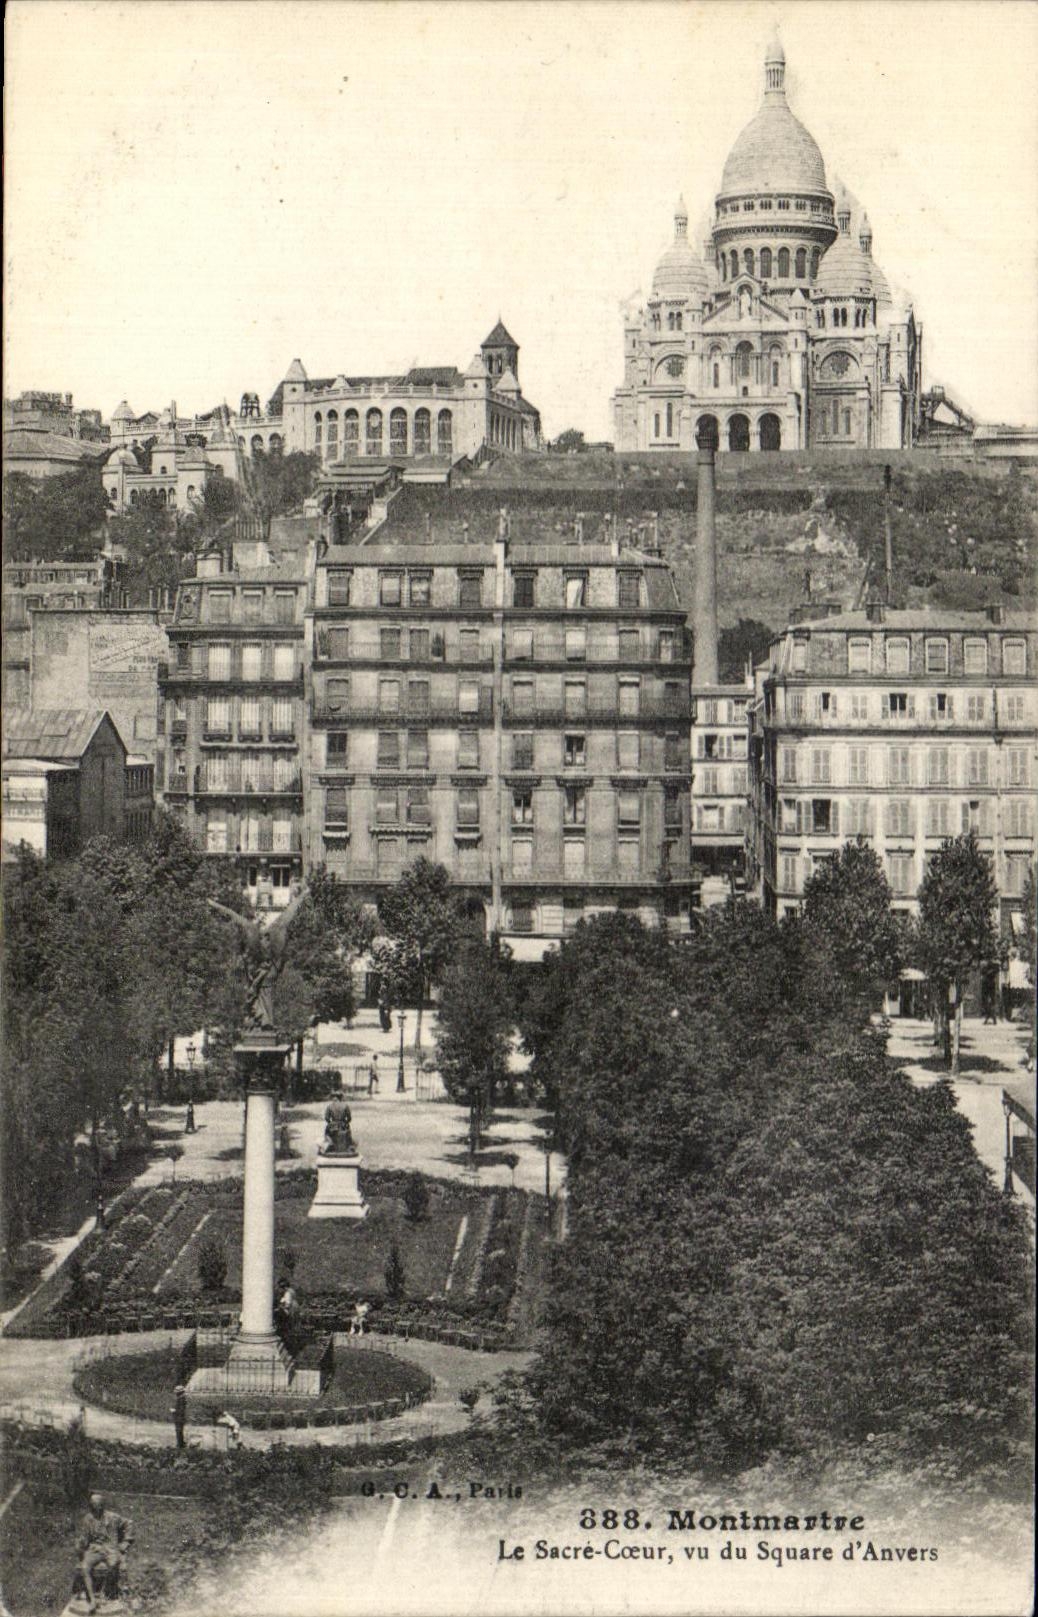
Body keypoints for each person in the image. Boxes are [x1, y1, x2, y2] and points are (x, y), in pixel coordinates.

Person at [75, 1493, 133, 1613]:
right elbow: (84, 1538)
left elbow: (129, 1523)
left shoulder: (113, 1517)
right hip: (94, 1549)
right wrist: (80, 1544)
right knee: (85, 1567)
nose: (95, 1507)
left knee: (114, 1564)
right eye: (93, 1504)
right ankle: (92, 1599)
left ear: (102, 1505)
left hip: (110, 1548)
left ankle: (104, 1593)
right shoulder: (88, 1519)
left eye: (98, 1504)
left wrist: (126, 1541)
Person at [171, 1383, 187, 1449]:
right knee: (179, 1430)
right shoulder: (182, 1398)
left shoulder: (181, 1399)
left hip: (179, 1417)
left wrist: (174, 1410)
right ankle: (181, 1443)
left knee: (179, 1431)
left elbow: (180, 1410)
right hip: (180, 1417)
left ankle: (180, 1444)